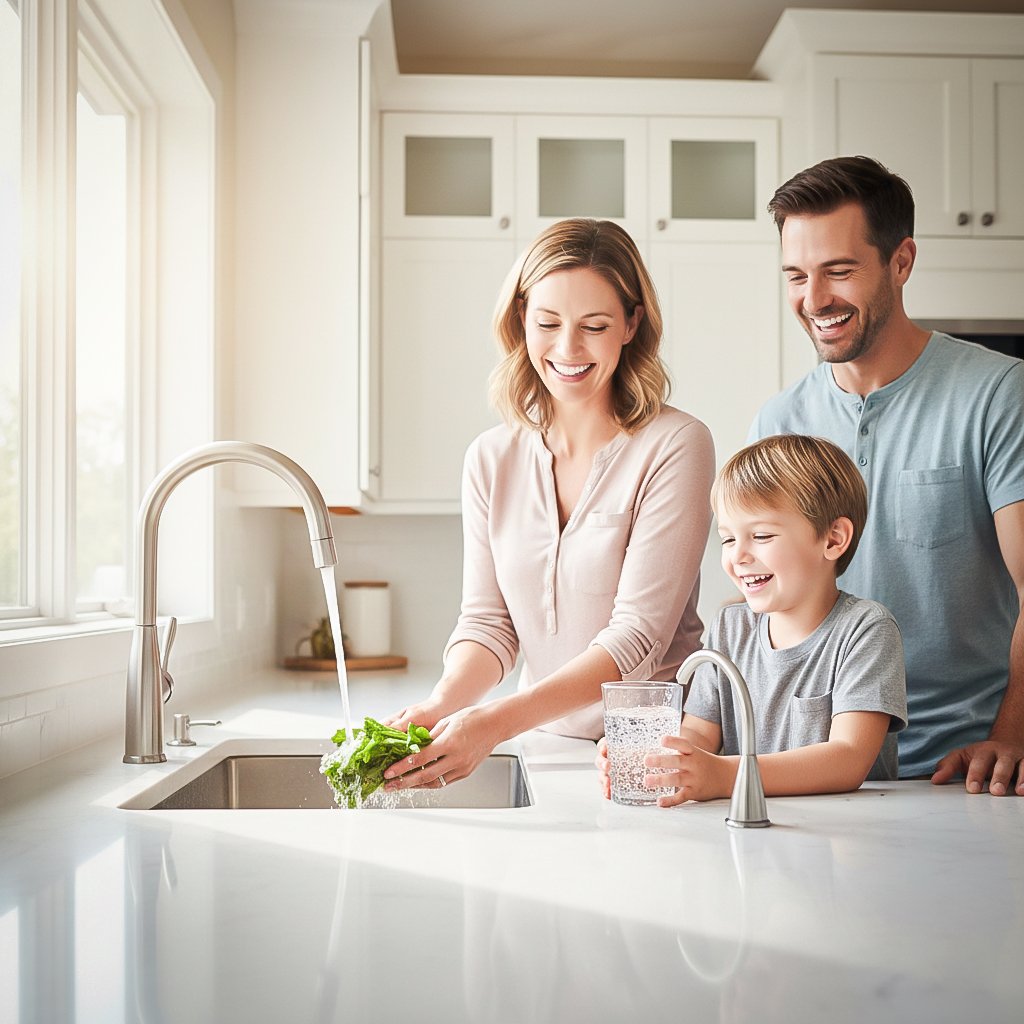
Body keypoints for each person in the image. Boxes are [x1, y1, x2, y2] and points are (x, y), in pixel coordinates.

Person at [381, 218, 715, 793]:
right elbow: (490, 624)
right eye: (547, 323)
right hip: (542, 746)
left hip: (652, 750)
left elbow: (638, 638)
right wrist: (441, 706)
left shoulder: (676, 444)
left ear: (632, 324)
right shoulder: (491, 458)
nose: (568, 349)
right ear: (520, 322)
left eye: (595, 325)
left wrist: (493, 721)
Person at [750, 155, 1024, 795]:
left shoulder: (997, 394)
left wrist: (1013, 733)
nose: (814, 299)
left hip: (963, 770)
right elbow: (766, 598)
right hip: (820, 765)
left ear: (901, 263)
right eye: (795, 275)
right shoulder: (780, 419)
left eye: (838, 271)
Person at [597, 434, 908, 804]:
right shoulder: (730, 627)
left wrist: (725, 775)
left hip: (845, 836)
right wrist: (668, 760)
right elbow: (700, 729)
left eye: (760, 535)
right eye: (728, 539)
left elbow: (848, 758)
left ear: (833, 539)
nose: (738, 556)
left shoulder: (866, 631)